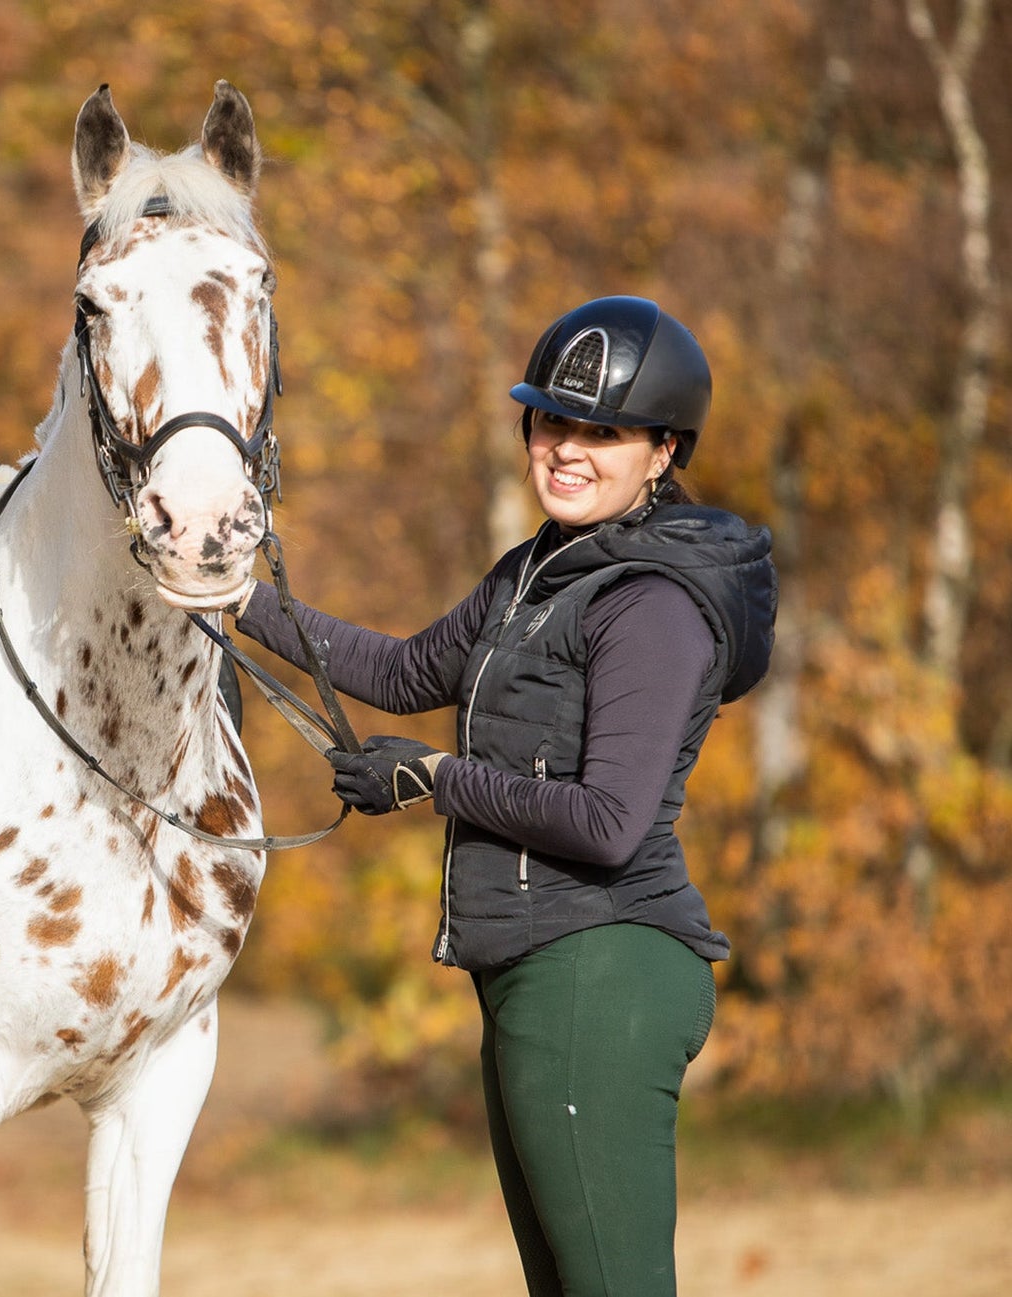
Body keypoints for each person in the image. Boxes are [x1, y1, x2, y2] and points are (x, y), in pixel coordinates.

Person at [236, 295, 776, 1295]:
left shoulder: (651, 604)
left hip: (600, 966)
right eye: (549, 420)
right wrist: (237, 594)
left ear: (661, 451)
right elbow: (403, 673)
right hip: (535, 968)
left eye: (600, 432)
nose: (565, 449)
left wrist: (433, 777)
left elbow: (606, 823)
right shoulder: (536, 569)